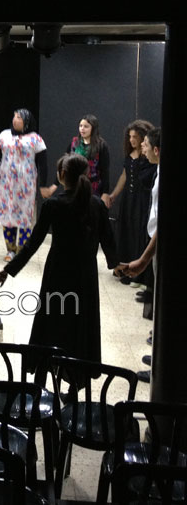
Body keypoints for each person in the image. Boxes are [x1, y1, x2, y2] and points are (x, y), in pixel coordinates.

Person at [0, 153, 119, 364]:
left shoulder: (53, 205)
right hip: (85, 276)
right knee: (81, 323)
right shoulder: (97, 204)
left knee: (54, 321)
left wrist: (8, 270)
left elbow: (32, 244)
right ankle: (77, 373)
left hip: (58, 273)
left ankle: (47, 366)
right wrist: (117, 265)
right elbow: (108, 240)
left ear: (62, 175)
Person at [119, 127, 161, 383]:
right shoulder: (159, 170)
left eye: (145, 143)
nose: (141, 147)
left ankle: (161, 368)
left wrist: (144, 258)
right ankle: (159, 357)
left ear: (156, 149)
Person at [0, 108, 50, 261]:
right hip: (6, 183)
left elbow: (43, 163)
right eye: (14, 116)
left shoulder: (35, 139)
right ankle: (10, 250)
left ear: (26, 121)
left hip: (26, 184)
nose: (15, 120)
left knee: (24, 217)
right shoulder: (4, 135)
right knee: (8, 215)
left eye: (19, 117)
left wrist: (43, 185)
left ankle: (22, 251)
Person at [108, 119, 157, 281]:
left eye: (135, 136)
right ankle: (124, 268)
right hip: (128, 199)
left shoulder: (147, 156)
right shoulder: (129, 153)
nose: (131, 140)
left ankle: (139, 274)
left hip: (141, 199)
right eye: (130, 136)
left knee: (139, 232)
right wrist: (114, 195)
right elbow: (124, 175)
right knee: (126, 231)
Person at [47, 114, 111, 206]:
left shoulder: (101, 146)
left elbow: (105, 171)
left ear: (93, 128)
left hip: (93, 187)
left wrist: (105, 193)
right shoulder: (74, 143)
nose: (82, 129)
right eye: (80, 126)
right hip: (74, 186)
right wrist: (54, 185)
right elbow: (64, 164)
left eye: (86, 126)